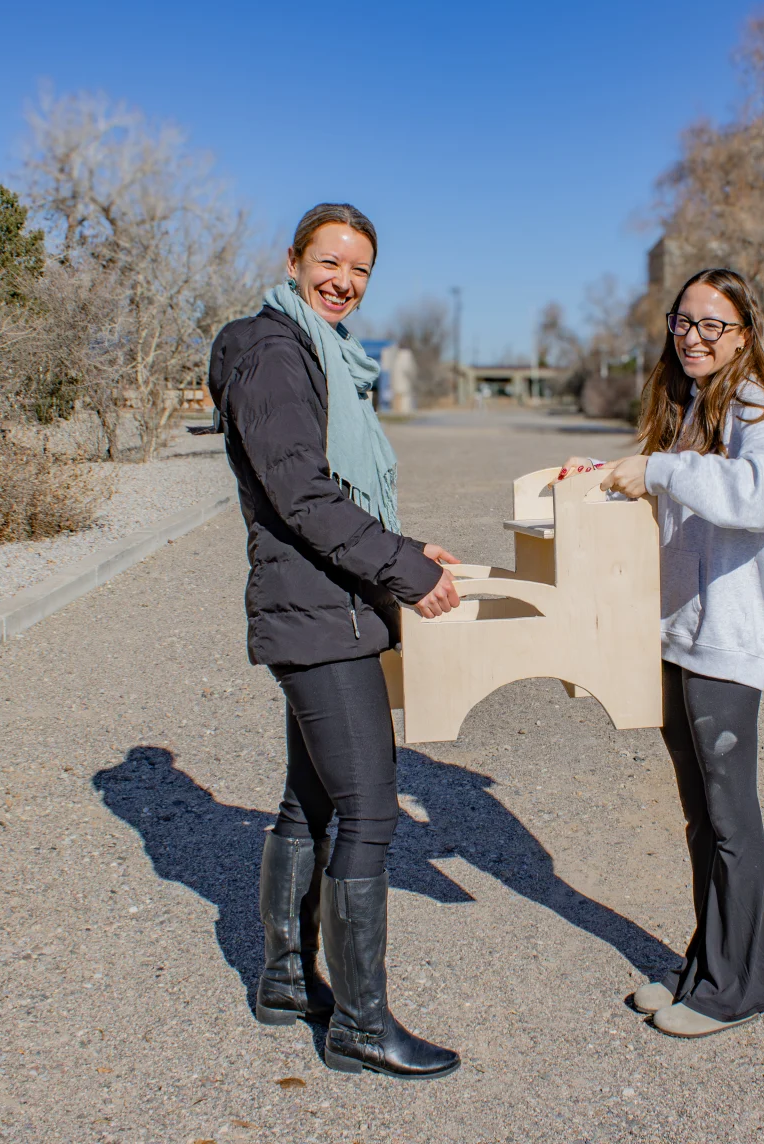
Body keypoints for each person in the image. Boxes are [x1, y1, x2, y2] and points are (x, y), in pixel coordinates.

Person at [206, 203, 463, 1080]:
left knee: (306, 803)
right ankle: (359, 1025)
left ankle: (284, 982)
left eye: (359, 269)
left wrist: (403, 546)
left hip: (325, 604)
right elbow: (303, 497)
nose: (344, 281)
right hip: (319, 615)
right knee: (371, 809)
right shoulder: (276, 352)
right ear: (294, 259)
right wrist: (402, 570)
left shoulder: (318, 351)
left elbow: (332, 490)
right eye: (330, 262)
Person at [560, 267, 764, 1039]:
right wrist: (613, 479)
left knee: (731, 821)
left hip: (726, 646)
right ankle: (709, 964)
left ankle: (741, 987)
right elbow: (681, 497)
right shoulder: (698, 405)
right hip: (681, 636)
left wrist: (661, 469)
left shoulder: (759, 406)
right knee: (702, 821)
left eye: (713, 325)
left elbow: (763, 497)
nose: (694, 338)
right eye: (683, 323)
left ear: (744, 333)